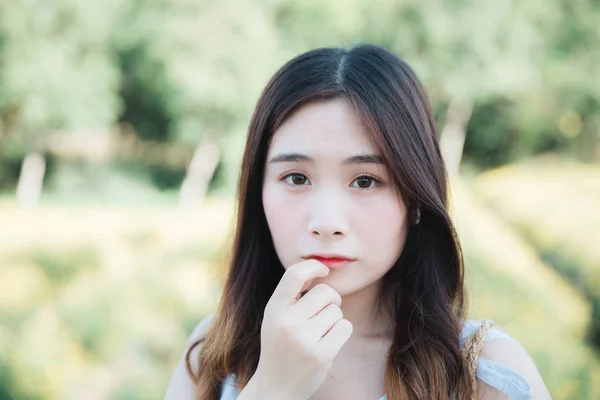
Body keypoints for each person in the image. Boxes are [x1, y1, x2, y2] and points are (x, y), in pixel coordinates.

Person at [165, 44, 551, 400]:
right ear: (257, 192)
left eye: (365, 181)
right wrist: (271, 388)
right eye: (296, 178)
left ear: (416, 197)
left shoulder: (484, 375)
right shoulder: (213, 355)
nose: (327, 223)